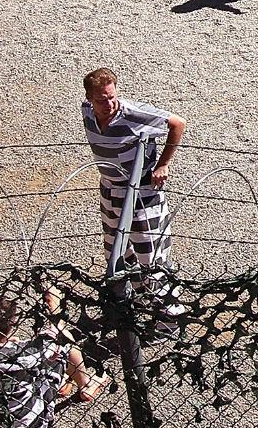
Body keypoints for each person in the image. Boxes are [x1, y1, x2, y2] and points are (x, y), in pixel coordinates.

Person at [80, 68, 186, 302]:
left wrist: (163, 164)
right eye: (101, 100)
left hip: (141, 193)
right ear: (89, 99)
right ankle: (133, 306)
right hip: (109, 190)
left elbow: (177, 124)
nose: (108, 104)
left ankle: (167, 316)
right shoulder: (87, 112)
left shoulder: (134, 114)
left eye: (112, 97)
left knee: (151, 254)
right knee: (117, 250)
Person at [0, 286, 108, 428]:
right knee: (65, 346)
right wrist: (55, 305)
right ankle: (85, 385)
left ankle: (61, 382)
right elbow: (59, 335)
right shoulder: (24, 353)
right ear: (12, 323)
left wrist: (5, 342)